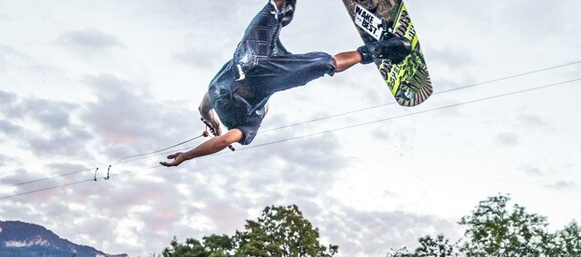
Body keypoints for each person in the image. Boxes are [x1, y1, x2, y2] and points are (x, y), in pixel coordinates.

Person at [162, 0, 411, 167]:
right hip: (258, 61)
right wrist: (208, 123)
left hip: (258, 63)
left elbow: (221, 137)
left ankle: (384, 49)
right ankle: (383, 48)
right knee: (282, 14)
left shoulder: (243, 121)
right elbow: (207, 113)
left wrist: (189, 153)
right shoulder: (227, 105)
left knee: (324, 61)